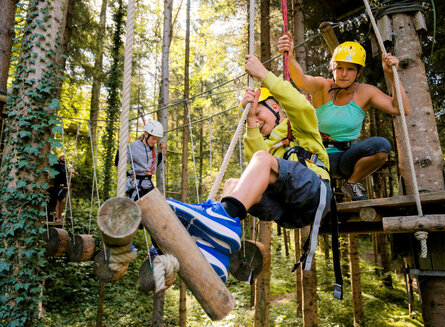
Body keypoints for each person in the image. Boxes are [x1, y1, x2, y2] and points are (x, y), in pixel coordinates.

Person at [166, 54, 333, 283]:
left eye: (259, 112)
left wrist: (264, 75)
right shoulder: (267, 147)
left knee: (262, 161)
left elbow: (299, 105)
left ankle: (221, 223)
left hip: (315, 194)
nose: (254, 120)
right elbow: (254, 157)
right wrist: (252, 120)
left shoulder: (301, 128)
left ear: (275, 107)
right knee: (232, 184)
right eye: (249, 119)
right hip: (289, 214)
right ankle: (217, 250)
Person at [277, 33, 410, 200]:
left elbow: (402, 109)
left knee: (381, 146)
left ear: (358, 72)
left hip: (348, 158)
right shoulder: (323, 87)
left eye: (350, 69)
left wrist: (391, 74)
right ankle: (324, 193)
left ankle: (352, 184)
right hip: (318, 157)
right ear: (333, 68)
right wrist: (290, 56)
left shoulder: (366, 92)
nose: (344, 74)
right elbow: (302, 80)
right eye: (339, 68)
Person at [123, 120, 167, 200]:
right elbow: (118, 162)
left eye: (157, 139)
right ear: (146, 134)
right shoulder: (134, 146)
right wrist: (124, 145)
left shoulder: (154, 149)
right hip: (136, 185)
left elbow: (154, 165)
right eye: (153, 138)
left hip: (148, 185)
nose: (155, 142)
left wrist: (161, 151)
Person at [48, 155, 78, 224]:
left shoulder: (64, 166)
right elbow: (50, 170)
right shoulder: (56, 165)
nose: (63, 158)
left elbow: (68, 171)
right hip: (57, 186)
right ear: (58, 159)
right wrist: (48, 175)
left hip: (62, 186)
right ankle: (60, 216)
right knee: (62, 200)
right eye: (62, 157)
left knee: (59, 202)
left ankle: (57, 217)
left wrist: (74, 172)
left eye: (64, 157)